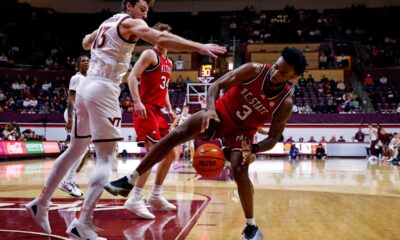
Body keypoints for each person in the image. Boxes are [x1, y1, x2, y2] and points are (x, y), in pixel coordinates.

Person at [25, 0, 226, 239]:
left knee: (74, 149)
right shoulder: (131, 23)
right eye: (142, 8)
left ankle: (42, 202)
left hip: (86, 87)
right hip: (104, 89)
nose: (145, 14)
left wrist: (94, 40)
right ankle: (83, 223)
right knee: (106, 159)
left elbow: (85, 42)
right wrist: (199, 46)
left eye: (147, 10)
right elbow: (159, 38)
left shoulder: (106, 23)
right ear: (128, 5)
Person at [105, 47, 307, 240]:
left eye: (283, 73)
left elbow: (273, 138)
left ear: (294, 77)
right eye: (276, 66)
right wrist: (210, 108)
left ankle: (251, 225)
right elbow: (216, 85)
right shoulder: (254, 70)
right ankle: (130, 180)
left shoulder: (285, 103)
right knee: (176, 134)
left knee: (240, 169)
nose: (276, 73)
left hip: (241, 133)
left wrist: (254, 149)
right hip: (218, 115)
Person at [105, 22, 179, 220]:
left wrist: (170, 109)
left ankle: (156, 195)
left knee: (172, 153)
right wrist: (136, 101)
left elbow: (164, 89)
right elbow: (131, 77)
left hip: (159, 112)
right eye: (158, 35)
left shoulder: (169, 62)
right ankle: (136, 198)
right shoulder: (149, 54)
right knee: (154, 152)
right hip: (145, 109)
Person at [58, 55, 90, 198]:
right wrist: (70, 118)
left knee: (85, 150)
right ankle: (67, 181)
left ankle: (71, 180)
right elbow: (71, 99)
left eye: (88, 60)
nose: (86, 62)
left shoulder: (90, 79)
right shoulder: (77, 78)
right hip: (75, 115)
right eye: (83, 61)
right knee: (78, 150)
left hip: (82, 116)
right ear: (78, 64)